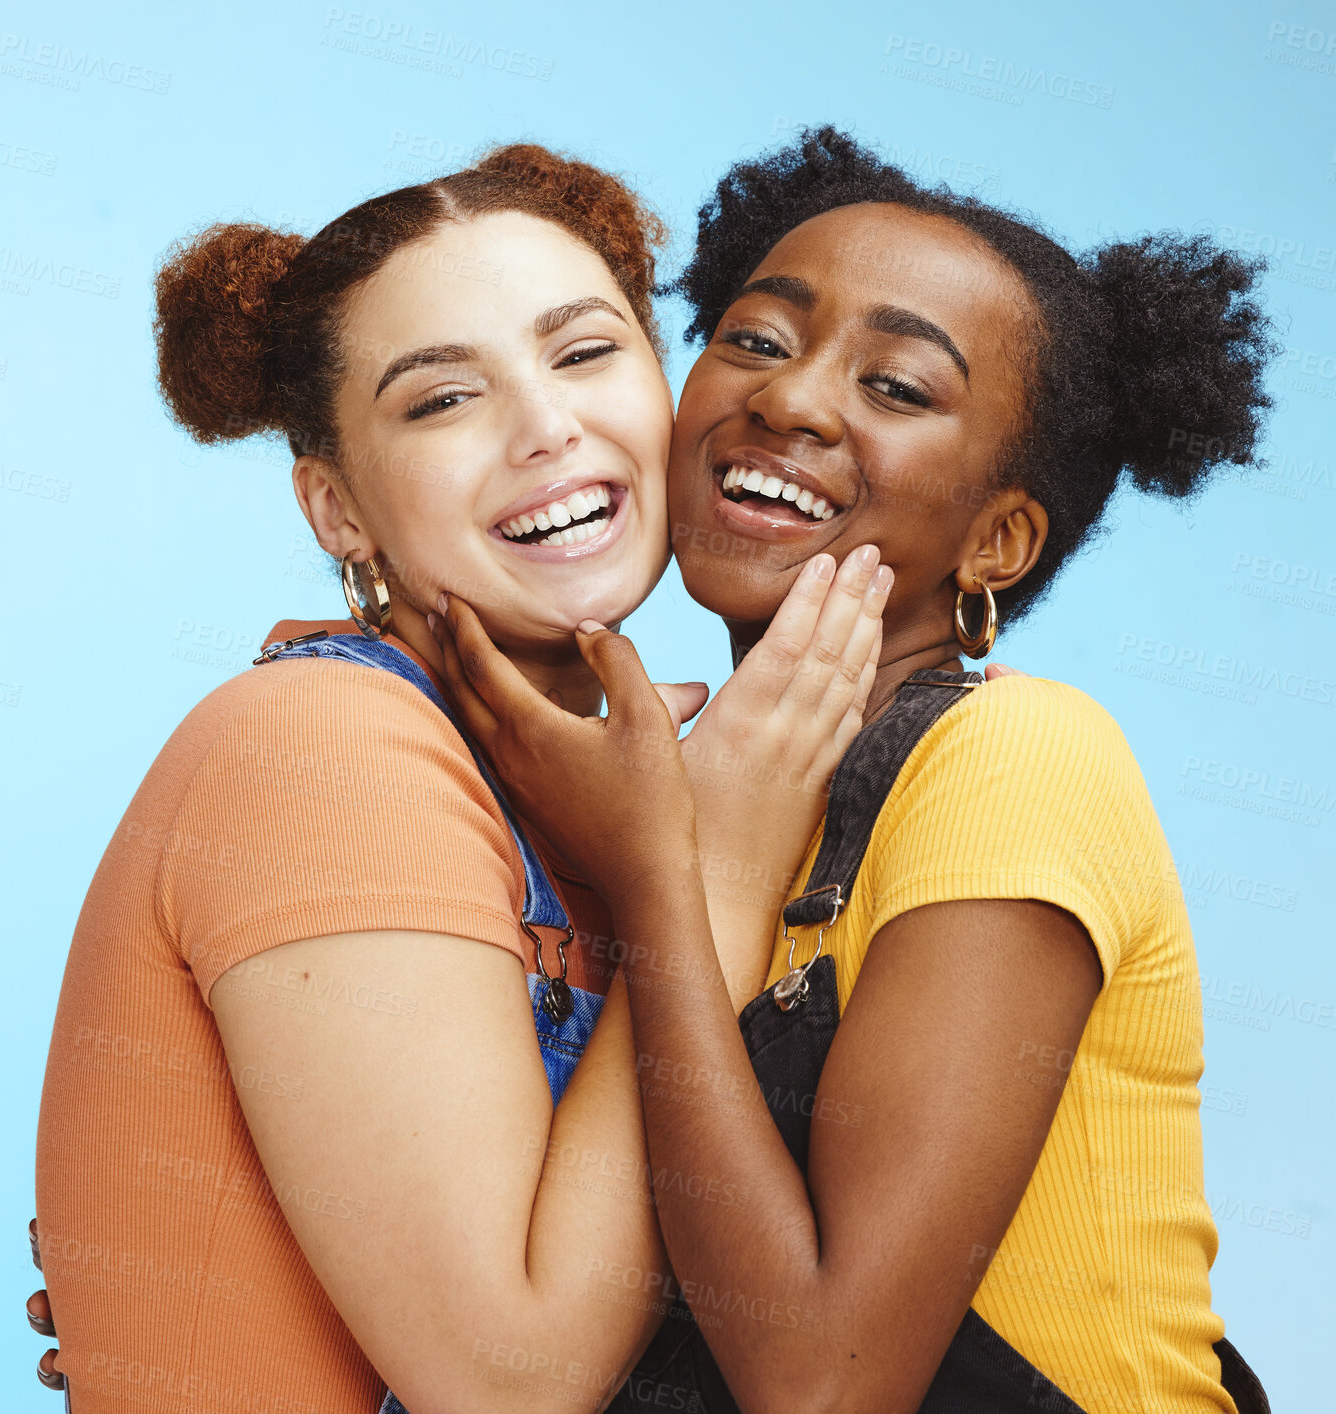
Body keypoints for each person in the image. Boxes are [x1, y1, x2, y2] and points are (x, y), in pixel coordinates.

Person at [428, 127, 1276, 1414]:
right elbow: (534, 1271)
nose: (789, 399)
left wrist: (658, 873)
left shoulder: (1011, 758)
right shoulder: (705, 774)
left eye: (895, 388)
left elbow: (823, 1384)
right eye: (756, 340)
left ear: (997, 541)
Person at [31, 143, 887, 1413]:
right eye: (440, 400)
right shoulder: (325, 750)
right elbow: (507, 1385)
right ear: (336, 509)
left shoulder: (577, 791)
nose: (548, 427)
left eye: (586, 352)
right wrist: (712, 856)